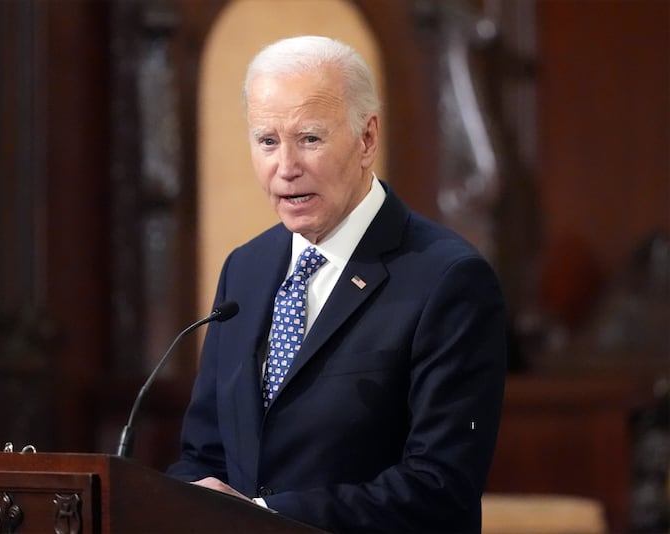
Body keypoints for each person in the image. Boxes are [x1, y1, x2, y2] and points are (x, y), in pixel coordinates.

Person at [166, 35, 507, 533]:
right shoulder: (246, 268)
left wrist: (261, 520)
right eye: (267, 141)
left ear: (367, 139)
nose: (285, 168)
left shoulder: (449, 279)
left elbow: (440, 486)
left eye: (310, 139)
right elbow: (205, 455)